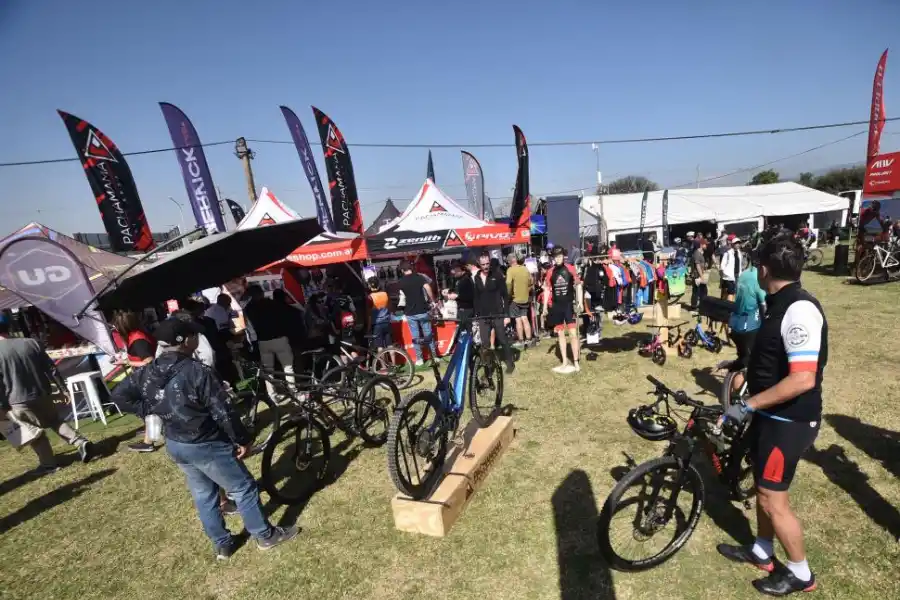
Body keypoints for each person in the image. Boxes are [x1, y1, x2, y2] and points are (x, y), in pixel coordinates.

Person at [110, 317, 296, 559]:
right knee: (244, 487)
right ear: (185, 340)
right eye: (194, 335)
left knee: (204, 493)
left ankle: (222, 543)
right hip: (205, 441)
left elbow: (119, 394)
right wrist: (242, 439)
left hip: (176, 443)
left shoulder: (148, 371)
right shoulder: (198, 372)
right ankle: (265, 535)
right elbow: (224, 412)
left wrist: (153, 409)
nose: (197, 338)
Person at [716, 232, 827, 596]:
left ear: (763, 269)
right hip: (773, 415)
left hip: (790, 421)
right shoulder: (778, 303)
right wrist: (745, 373)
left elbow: (803, 379)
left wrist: (748, 404)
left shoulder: (799, 309)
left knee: (770, 497)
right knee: (765, 488)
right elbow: (773, 359)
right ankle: (763, 550)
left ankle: (800, 572)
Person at [0, 319, 94, 472]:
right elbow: (51, 368)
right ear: (9, 327)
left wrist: (2, 405)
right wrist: (63, 388)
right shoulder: (31, 343)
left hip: (16, 399)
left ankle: (48, 464)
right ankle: (80, 442)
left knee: (35, 433)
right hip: (42, 392)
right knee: (55, 421)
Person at [716, 255, 766, 396]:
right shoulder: (759, 278)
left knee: (743, 359)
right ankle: (743, 394)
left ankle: (732, 392)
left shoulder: (743, 275)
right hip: (749, 326)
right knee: (753, 362)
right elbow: (763, 306)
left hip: (735, 323)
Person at [113, 310, 159, 453]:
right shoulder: (136, 335)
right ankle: (150, 433)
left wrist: (127, 362)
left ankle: (149, 438)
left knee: (119, 396)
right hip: (142, 377)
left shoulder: (138, 339)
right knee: (146, 405)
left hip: (146, 377)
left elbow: (150, 362)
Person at [242, 285, 296, 399]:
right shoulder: (273, 304)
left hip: (263, 341)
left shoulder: (248, 308)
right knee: (288, 367)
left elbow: (250, 328)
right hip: (279, 338)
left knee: (268, 371)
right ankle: (293, 392)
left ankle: (273, 396)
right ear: (261, 293)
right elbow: (284, 319)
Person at [542, 247, 583, 374]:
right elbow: (547, 289)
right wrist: (544, 307)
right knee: (560, 334)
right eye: (555, 256)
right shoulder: (550, 272)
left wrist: (580, 301)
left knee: (572, 334)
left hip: (568, 306)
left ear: (563, 256)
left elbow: (578, 285)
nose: (558, 258)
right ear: (553, 258)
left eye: (560, 256)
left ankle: (575, 361)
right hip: (556, 306)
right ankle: (564, 361)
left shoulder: (570, 268)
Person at [473, 252, 515, 374]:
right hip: (483, 316)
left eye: (487, 263)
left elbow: (505, 296)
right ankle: (488, 368)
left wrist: (507, 315)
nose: (486, 266)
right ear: (479, 265)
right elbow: (476, 297)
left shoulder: (497, 275)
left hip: (497, 313)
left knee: (502, 339)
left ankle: (510, 363)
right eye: (483, 264)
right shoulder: (476, 278)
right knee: (485, 343)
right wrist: (477, 315)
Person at [397, 261, 436, 365]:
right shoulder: (419, 277)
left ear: (402, 270)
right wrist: (432, 301)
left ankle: (419, 359)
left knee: (415, 337)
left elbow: (401, 297)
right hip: (422, 309)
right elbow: (428, 288)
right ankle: (434, 356)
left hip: (409, 312)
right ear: (411, 268)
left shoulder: (401, 281)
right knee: (428, 333)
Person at [505, 253, 533, 347]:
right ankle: (529, 340)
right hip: (525, 298)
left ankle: (521, 341)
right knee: (525, 318)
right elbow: (531, 282)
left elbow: (508, 283)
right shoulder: (525, 269)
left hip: (515, 299)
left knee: (518, 320)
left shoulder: (510, 270)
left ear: (509, 262)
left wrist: (508, 295)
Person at [443, 260, 475, 332]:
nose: (452, 272)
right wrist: (449, 291)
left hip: (466, 309)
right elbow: (456, 289)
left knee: (467, 329)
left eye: (453, 270)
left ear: (458, 269)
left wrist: (457, 296)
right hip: (460, 308)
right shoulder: (458, 279)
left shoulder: (466, 279)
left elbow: (470, 295)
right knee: (461, 329)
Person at [366, 277, 392, 350]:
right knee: (390, 345)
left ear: (369, 286)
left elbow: (369, 315)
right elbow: (390, 308)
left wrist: (368, 328)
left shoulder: (370, 297)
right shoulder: (385, 294)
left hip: (377, 324)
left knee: (379, 346)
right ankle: (394, 361)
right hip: (387, 322)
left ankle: (382, 361)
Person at [720, 236, 743, 301]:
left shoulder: (739, 253)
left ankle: (725, 304)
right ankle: (728, 307)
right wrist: (724, 273)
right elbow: (722, 265)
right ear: (733, 244)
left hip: (737, 275)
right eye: (736, 243)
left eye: (739, 243)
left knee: (734, 292)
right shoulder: (728, 253)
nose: (738, 245)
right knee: (730, 293)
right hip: (729, 276)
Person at [688, 238, 708, 311]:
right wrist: (701, 276)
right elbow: (697, 266)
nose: (706, 246)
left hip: (700, 275)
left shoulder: (701, 253)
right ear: (701, 245)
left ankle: (701, 305)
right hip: (697, 275)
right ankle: (694, 307)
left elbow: (701, 264)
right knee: (696, 291)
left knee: (703, 291)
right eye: (705, 244)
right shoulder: (697, 253)